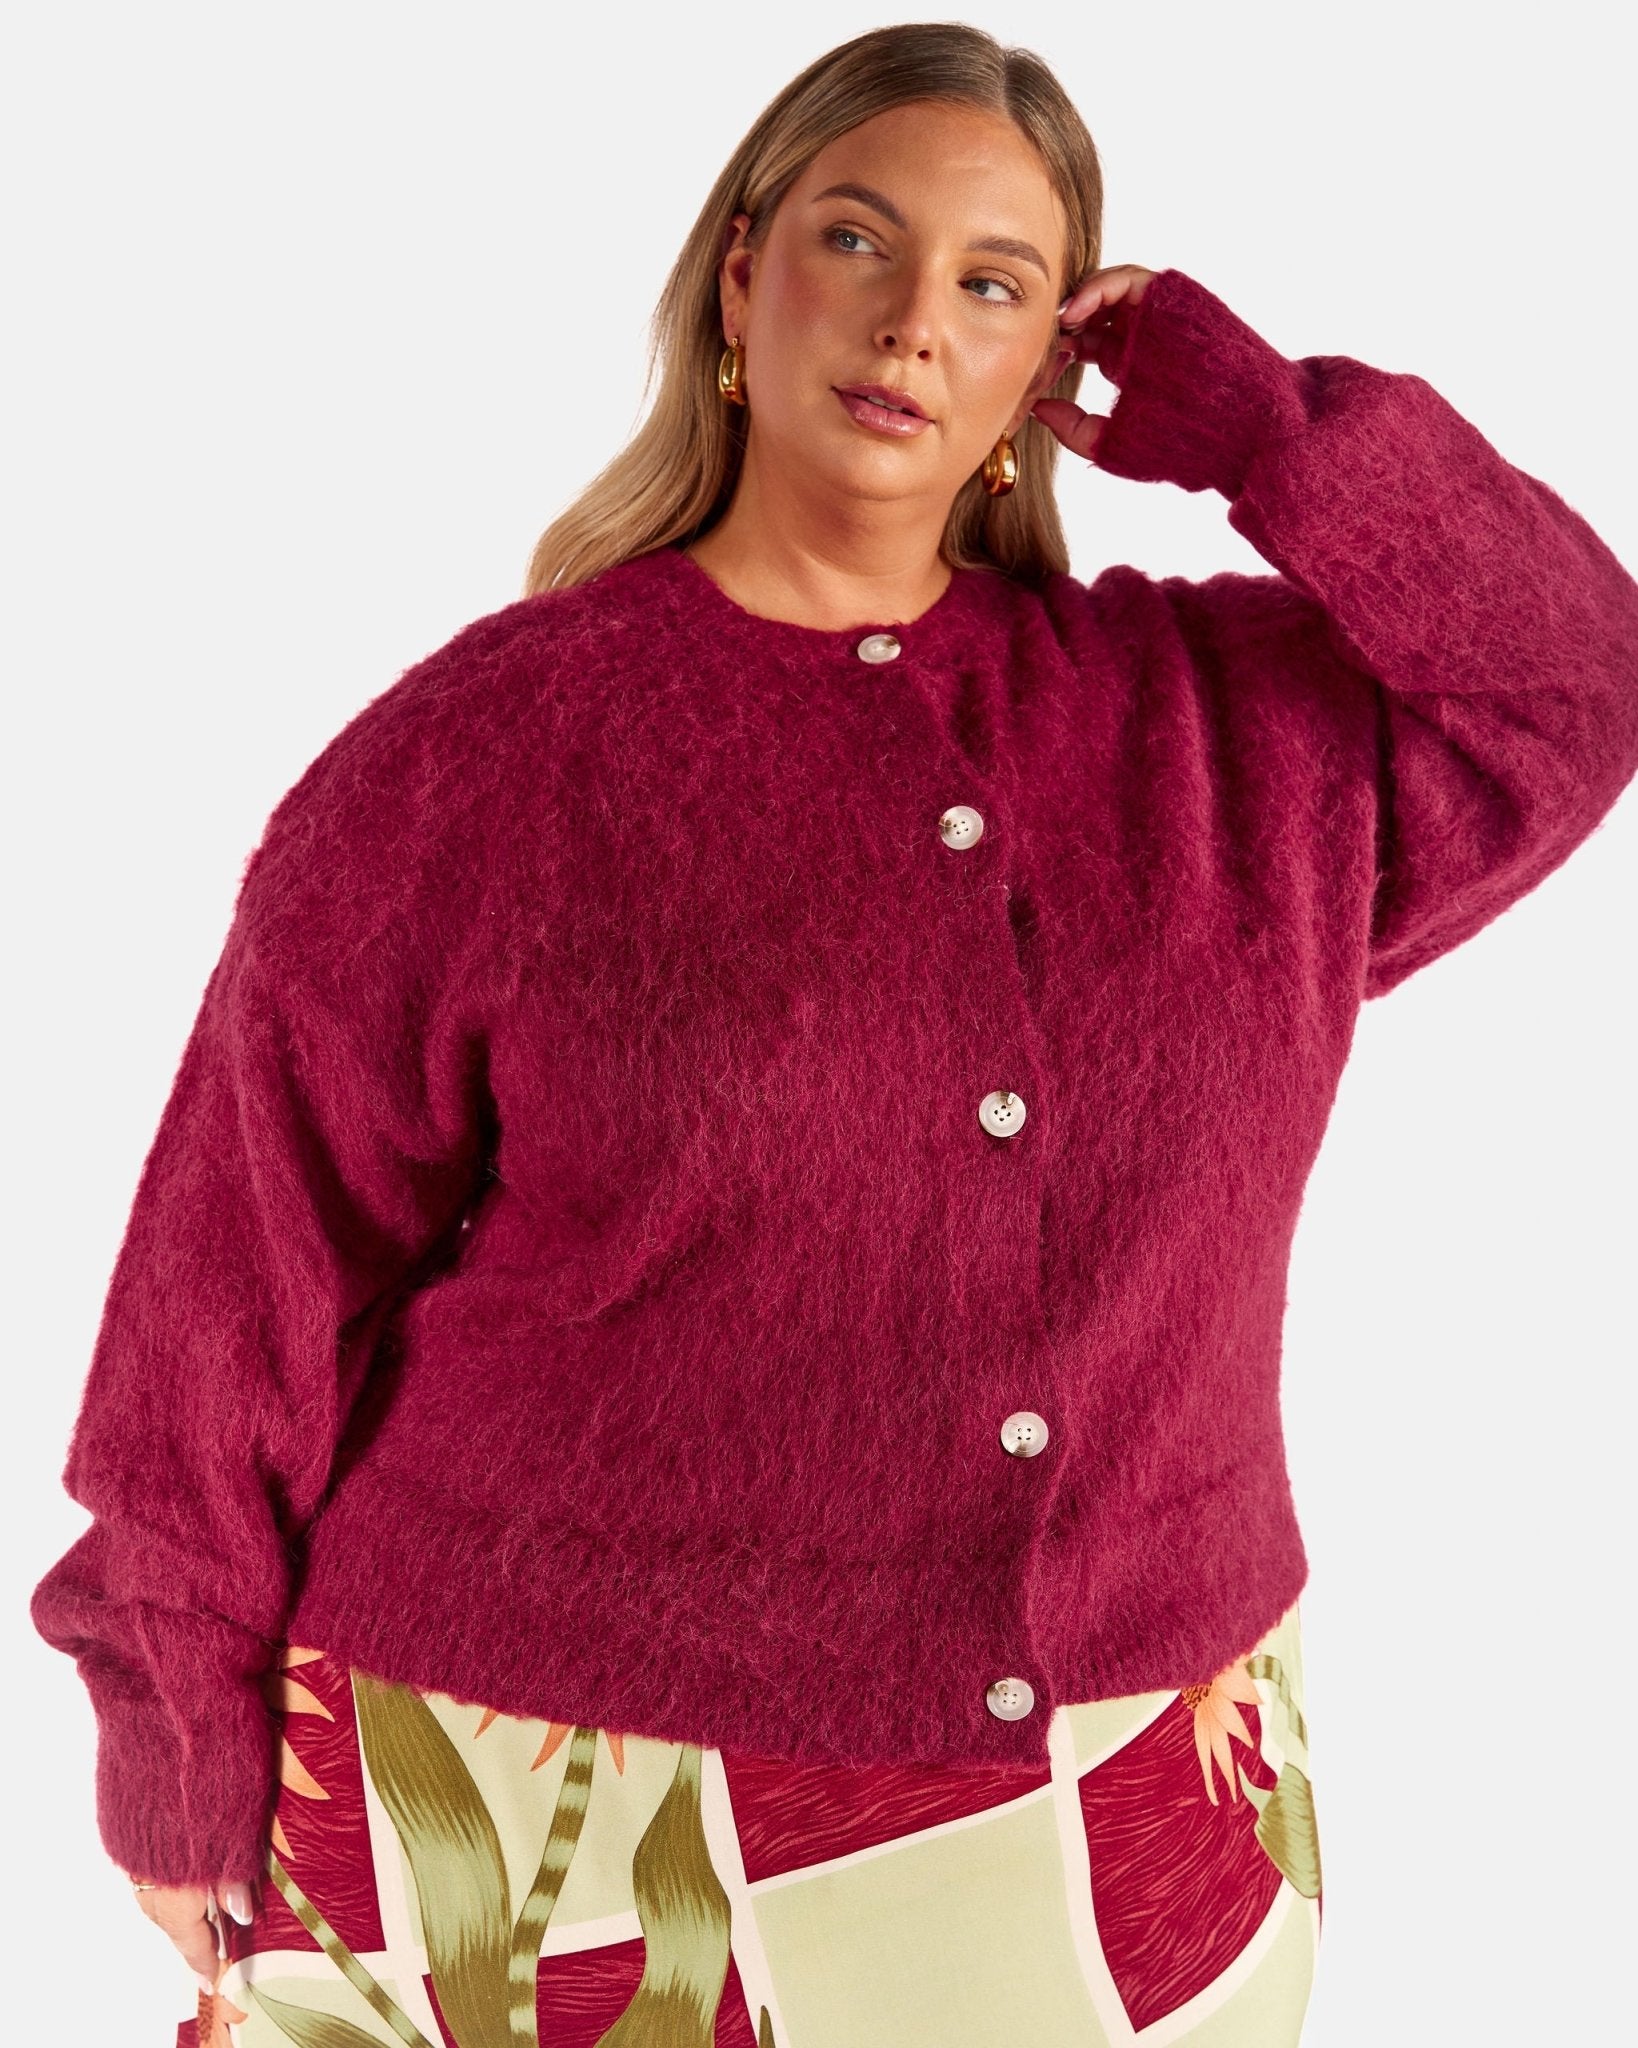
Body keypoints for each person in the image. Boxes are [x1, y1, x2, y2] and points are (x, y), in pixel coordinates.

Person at [31, 22, 1637, 2048]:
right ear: (740, 282)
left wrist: (1252, 422)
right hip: (518, 1790)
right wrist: (172, 1720)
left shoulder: (1228, 737)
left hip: (1112, 1792)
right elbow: (241, 1260)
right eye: (855, 240)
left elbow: (1573, 683)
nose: (910, 321)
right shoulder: (480, 756)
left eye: (994, 282)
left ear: (1050, 362)